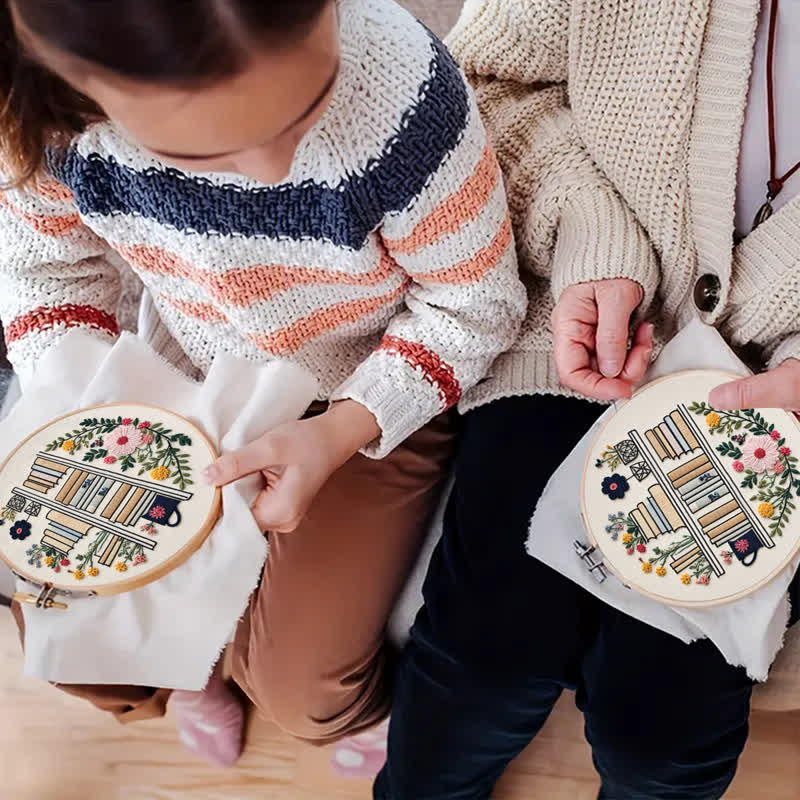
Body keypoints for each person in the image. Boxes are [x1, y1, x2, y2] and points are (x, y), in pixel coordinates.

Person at [0, 0, 525, 768]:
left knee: (306, 694)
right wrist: (84, 406)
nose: (277, 171)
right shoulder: (45, 119)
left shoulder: (401, 92)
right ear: (75, 87)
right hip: (181, 370)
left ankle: (335, 707)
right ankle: (188, 674)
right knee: (72, 626)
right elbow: (44, 275)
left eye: (308, 109)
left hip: (363, 384)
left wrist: (344, 427)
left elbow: (474, 306)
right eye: (206, 154)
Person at [375, 0, 800, 797]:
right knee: (479, 666)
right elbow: (475, 85)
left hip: (780, 428)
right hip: (571, 338)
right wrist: (588, 231)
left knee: (662, 740)